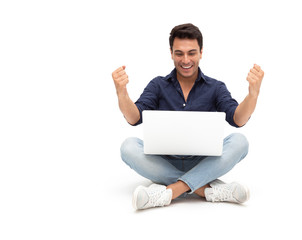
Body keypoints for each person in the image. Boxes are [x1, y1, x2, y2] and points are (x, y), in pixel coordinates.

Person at [112, 23, 264, 210]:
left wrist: (253, 95)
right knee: (128, 147)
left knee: (240, 142)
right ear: (171, 53)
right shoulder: (158, 85)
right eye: (179, 53)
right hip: (163, 161)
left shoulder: (216, 87)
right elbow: (134, 118)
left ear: (201, 52)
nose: (185, 60)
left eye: (191, 53)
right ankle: (206, 189)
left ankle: (170, 191)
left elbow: (238, 120)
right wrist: (122, 94)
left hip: (205, 160)